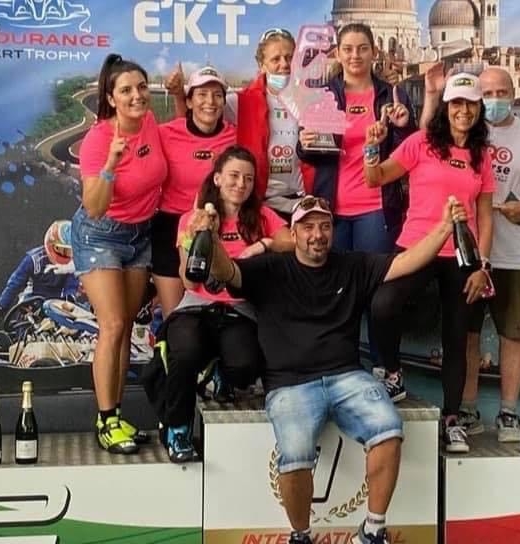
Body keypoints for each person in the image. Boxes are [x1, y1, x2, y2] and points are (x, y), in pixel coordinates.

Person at [195, 194, 469, 544]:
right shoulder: (270, 268)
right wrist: (211, 238)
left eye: (324, 226)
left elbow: (406, 262)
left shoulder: (351, 265)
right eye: (308, 227)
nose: (317, 235)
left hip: (348, 377)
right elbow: (226, 271)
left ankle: (372, 531)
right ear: (294, 233)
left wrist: (445, 227)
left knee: (388, 429)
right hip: (290, 384)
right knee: (295, 455)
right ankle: (301, 536)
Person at [420, 66, 520, 441]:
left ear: (513, 94)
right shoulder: (462, 135)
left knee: (512, 334)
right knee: (467, 334)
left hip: (515, 254)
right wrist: (431, 94)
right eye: (488, 93)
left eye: (502, 92)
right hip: (465, 255)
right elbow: (422, 145)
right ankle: (467, 409)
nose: (495, 99)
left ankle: (509, 412)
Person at [365, 72, 494, 454]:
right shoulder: (421, 142)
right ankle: (392, 372)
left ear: (478, 108)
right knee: (382, 304)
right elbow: (376, 178)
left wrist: (483, 267)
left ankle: (452, 420)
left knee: (457, 337)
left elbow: (485, 216)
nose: (463, 111)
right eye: (457, 103)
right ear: (446, 107)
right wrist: (371, 149)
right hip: (416, 244)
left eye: (471, 104)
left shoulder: (482, 154)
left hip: (462, 254)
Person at [150, 146, 292, 463]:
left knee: (244, 367)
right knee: (184, 355)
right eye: (234, 176)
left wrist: (262, 244)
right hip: (197, 305)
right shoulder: (192, 219)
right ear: (217, 178)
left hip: (240, 308)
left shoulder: (261, 216)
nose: (241, 184)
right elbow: (189, 282)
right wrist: (197, 237)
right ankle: (178, 428)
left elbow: (291, 240)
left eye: (248, 179)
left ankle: (220, 373)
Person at [72, 53, 168, 454]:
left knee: (126, 326)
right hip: (101, 236)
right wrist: (111, 163)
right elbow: (94, 206)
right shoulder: (98, 140)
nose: (136, 96)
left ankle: (117, 416)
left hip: (140, 235)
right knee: (111, 325)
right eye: (126, 90)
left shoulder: (150, 122)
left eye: (141, 87)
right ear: (111, 98)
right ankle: (105, 419)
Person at [167, 28, 314, 218]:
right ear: (262, 64)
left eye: (289, 57)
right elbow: (196, 118)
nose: (284, 64)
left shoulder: (311, 99)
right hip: (260, 204)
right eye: (275, 59)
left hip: (302, 201)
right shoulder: (240, 101)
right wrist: (179, 94)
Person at [297, 22, 414, 253]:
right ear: (338, 53)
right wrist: (305, 144)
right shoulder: (321, 96)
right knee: (336, 274)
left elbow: (408, 152)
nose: (355, 56)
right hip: (331, 207)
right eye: (348, 49)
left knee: (372, 273)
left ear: (374, 51)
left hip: (377, 207)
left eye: (362, 49)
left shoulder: (392, 95)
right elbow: (308, 155)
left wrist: (403, 127)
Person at [153, 65, 237, 317]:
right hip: (170, 226)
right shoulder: (166, 133)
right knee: (174, 316)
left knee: (214, 313)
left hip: (214, 227)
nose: (210, 102)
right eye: (202, 94)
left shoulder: (236, 136)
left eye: (217, 95)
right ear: (188, 101)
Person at [0, 220, 79, 328]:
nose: (65, 255)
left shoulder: (73, 265)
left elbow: (71, 288)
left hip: (56, 308)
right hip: (31, 307)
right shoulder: (34, 260)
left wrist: (69, 306)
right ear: (51, 244)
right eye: (61, 250)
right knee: (25, 328)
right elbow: (13, 286)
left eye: (69, 251)